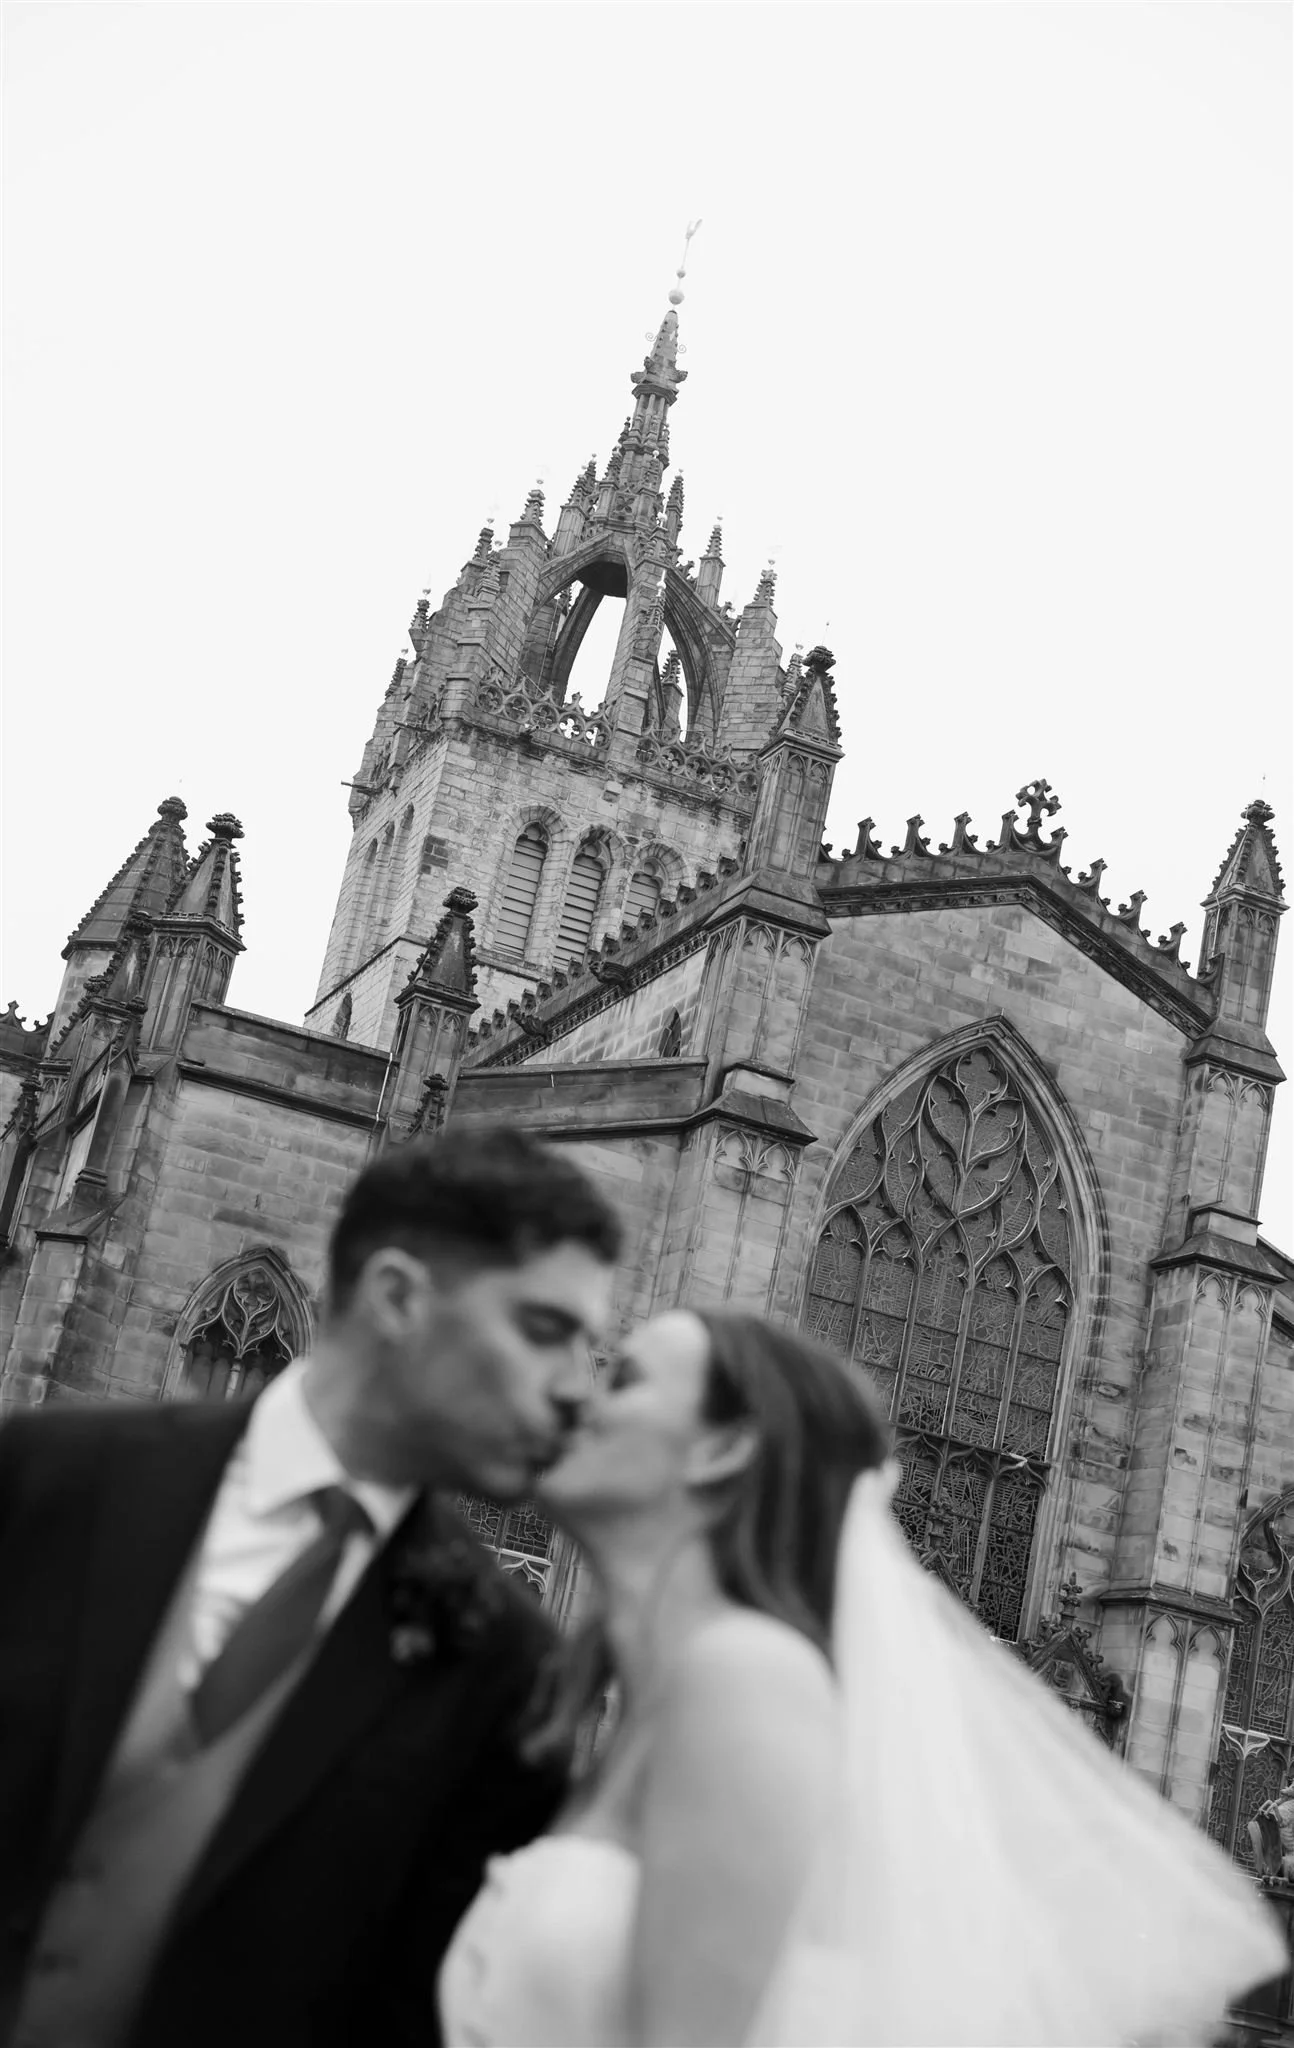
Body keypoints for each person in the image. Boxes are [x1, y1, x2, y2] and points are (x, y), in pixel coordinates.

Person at [438, 1307, 1289, 2048]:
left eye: (624, 1379)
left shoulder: (746, 1681)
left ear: (725, 1447)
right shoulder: (661, 1687)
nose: (579, 1393)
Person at [0, 1126, 620, 2048]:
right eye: (544, 1331)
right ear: (397, 1298)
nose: (578, 1390)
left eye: (591, 1349)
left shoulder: (503, 1666)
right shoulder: (52, 1479)